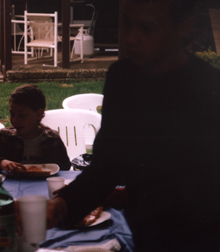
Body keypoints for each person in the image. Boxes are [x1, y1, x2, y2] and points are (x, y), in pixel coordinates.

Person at [46, 0, 220, 251]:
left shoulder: (208, 88)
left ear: (184, 27)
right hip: (144, 233)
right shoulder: (122, 77)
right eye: (126, 22)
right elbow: (108, 163)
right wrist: (63, 204)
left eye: (147, 28)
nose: (130, 37)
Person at [0, 84, 71, 175]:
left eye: (22, 115)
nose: (15, 120)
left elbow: (65, 168)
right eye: (12, 114)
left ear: (39, 114)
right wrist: (0, 162)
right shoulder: (4, 137)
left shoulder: (52, 139)